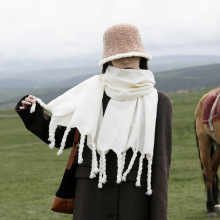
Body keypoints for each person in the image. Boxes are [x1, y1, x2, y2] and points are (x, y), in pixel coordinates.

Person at [16, 23, 172, 220]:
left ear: (142, 56)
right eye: (117, 55)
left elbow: (161, 164)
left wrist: (159, 215)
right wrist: (33, 114)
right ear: (108, 59)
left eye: (131, 53)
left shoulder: (159, 101)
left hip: (135, 198)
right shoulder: (92, 93)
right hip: (90, 197)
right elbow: (61, 139)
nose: (125, 59)